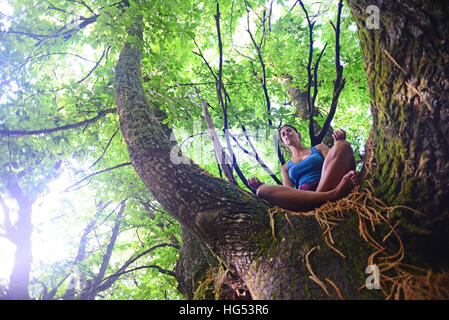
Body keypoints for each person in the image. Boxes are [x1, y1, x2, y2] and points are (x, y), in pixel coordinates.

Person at [248, 125, 357, 211]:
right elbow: (288, 191)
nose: (286, 134)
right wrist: (261, 186)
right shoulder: (285, 167)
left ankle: (322, 196)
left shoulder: (319, 148)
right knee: (262, 190)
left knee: (342, 145)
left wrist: (339, 141)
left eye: (289, 131)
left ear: (298, 134)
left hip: (328, 183)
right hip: (305, 198)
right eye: (283, 134)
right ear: (284, 144)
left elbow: (334, 162)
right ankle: (333, 195)